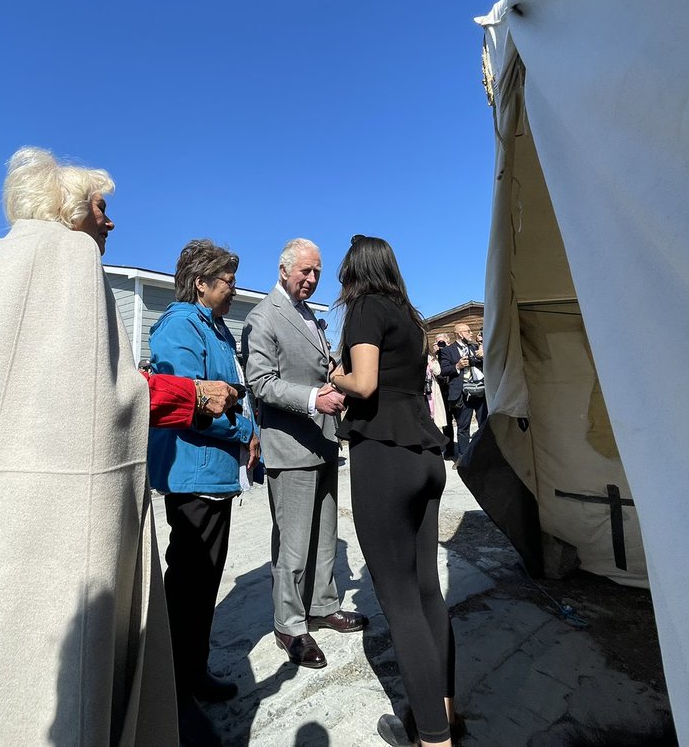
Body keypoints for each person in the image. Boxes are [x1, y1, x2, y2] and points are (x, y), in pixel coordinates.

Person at [0, 146, 235, 747]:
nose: (109, 222)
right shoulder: (70, 257)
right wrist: (193, 397)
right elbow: (99, 394)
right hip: (53, 512)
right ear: (72, 211)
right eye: (101, 208)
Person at [330, 236, 462, 747]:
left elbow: (363, 384)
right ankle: (448, 713)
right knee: (428, 591)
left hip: (385, 454)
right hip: (426, 454)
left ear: (355, 272)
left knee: (400, 600)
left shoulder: (365, 308)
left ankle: (431, 736)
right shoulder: (410, 316)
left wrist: (333, 374)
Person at [147, 239, 260, 745]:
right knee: (188, 587)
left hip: (214, 473)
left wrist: (245, 423)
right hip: (192, 475)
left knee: (204, 582)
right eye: (228, 281)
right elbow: (195, 403)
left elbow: (234, 394)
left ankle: (193, 671)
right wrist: (242, 430)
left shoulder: (214, 327)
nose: (233, 290)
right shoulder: (180, 327)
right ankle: (172, 697)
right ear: (201, 283)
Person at [243, 237, 367, 672]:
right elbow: (260, 383)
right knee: (293, 545)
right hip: (291, 447)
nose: (313, 280)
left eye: (317, 272)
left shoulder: (310, 317)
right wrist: (315, 398)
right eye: (305, 272)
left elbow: (322, 365)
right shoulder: (263, 318)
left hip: (324, 441)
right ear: (283, 270)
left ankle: (321, 604)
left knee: (324, 532)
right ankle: (290, 624)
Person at [438, 323, 485, 458]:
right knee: (463, 427)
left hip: (479, 391)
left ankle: (482, 453)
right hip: (462, 393)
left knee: (483, 424)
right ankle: (464, 457)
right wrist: (457, 366)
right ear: (459, 334)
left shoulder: (474, 347)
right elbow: (444, 370)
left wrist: (481, 356)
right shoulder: (448, 351)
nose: (471, 333)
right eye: (468, 331)